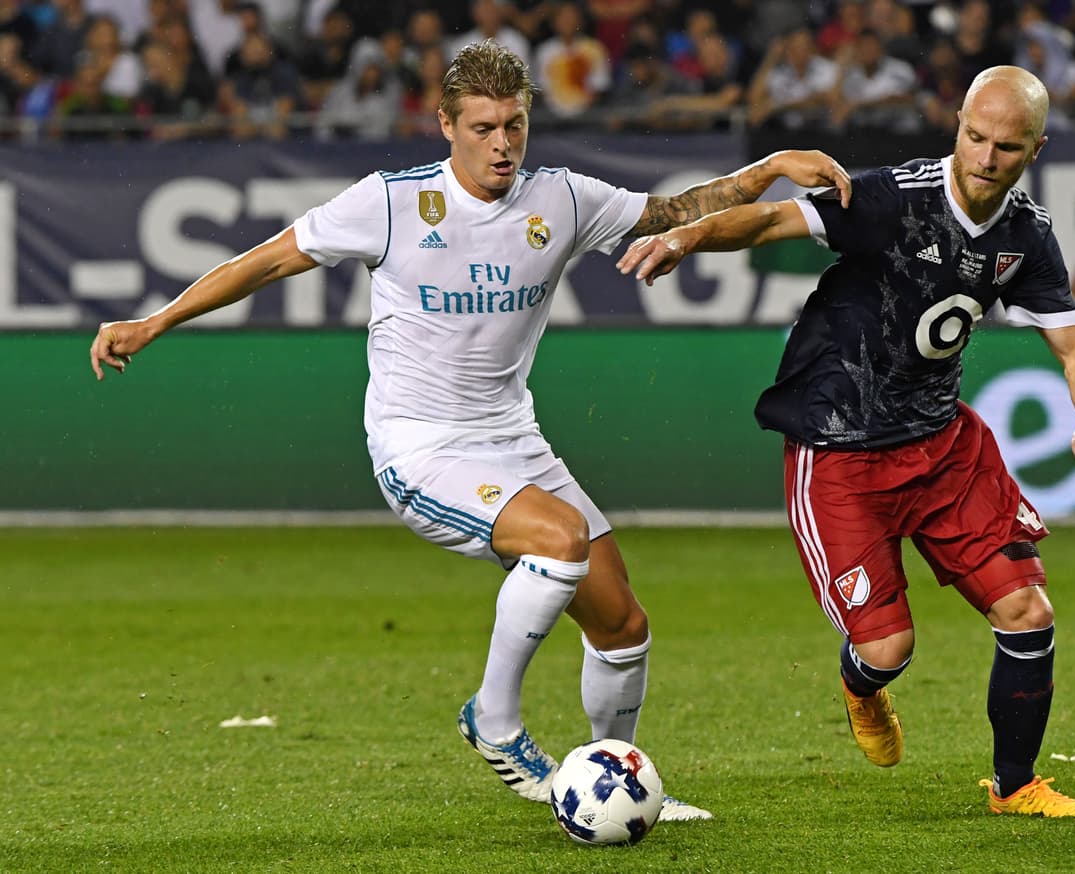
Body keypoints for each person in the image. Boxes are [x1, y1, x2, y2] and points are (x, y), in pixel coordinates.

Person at [89, 39, 852, 822]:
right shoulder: (389, 203)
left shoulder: (562, 198)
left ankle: (611, 780)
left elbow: (672, 212)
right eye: (484, 127)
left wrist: (769, 168)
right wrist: (156, 320)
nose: (502, 145)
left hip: (513, 439)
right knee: (558, 542)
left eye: (514, 126)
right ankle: (494, 720)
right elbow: (269, 261)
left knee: (622, 621)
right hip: (418, 448)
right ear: (445, 125)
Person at [618, 65, 1075, 817]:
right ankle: (861, 688)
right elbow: (775, 221)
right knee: (888, 651)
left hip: (943, 445)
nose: (983, 158)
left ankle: (1016, 787)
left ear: (1035, 149)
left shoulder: (1025, 238)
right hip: (839, 447)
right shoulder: (893, 199)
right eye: (974, 137)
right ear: (957, 121)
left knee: (1029, 612)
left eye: (1005, 148)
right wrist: (691, 235)